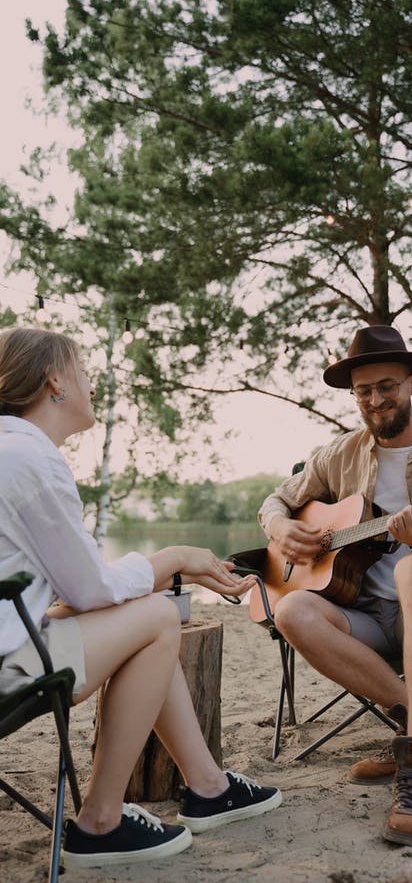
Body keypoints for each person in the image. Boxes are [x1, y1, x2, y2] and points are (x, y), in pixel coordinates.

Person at [0, 327, 282, 870]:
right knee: (155, 617)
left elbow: (71, 591)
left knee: (143, 619)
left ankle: (209, 785)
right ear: (54, 382)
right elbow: (91, 589)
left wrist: (172, 571)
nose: (91, 383)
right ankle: (100, 821)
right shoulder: (30, 459)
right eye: (82, 371)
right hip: (6, 668)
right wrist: (176, 557)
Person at [258, 325, 412, 849]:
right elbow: (275, 500)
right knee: (293, 611)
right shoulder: (338, 453)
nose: (375, 399)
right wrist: (279, 528)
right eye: (363, 390)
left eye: (386, 386)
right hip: (361, 613)